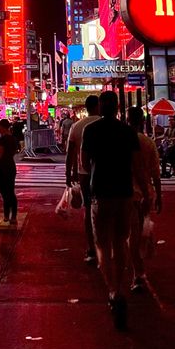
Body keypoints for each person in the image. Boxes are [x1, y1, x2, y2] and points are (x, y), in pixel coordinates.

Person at [82, 91, 149, 331]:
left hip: (100, 192)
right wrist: (147, 193)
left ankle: (111, 291)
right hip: (124, 193)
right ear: (118, 107)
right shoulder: (128, 132)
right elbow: (138, 167)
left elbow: (84, 164)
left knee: (101, 244)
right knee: (120, 242)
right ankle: (119, 287)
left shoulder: (91, 131)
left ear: (100, 107)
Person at [126, 105, 162, 292]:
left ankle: (138, 272)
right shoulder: (148, 142)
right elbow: (156, 173)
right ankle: (139, 270)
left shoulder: (123, 141)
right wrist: (158, 194)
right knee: (140, 231)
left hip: (128, 193)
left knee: (132, 233)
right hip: (145, 192)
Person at [65, 96, 101, 264]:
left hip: (84, 173)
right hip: (105, 172)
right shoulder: (106, 124)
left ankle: (91, 248)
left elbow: (70, 153)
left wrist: (68, 175)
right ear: (98, 106)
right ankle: (105, 244)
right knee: (106, 206)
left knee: (88, 209)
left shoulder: (77, 126)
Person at [0, 118, 19, 227]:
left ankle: (5, 217)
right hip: (11, 166)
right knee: (11, 191)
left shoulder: (3, 139)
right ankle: (13, 217)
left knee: (4, 192)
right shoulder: (13, 139)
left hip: (3, 167)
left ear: (2, 127)